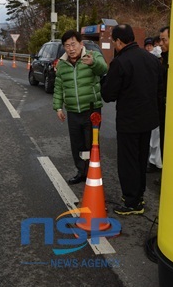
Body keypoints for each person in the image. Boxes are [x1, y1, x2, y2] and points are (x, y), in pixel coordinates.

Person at [101, 24, 164, 215]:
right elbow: (160, 88)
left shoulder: (120, 62)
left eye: (114, 41)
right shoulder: (151, 60)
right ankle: (139, 196)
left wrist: (105, 80)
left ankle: (131, 201)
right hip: (148, 120)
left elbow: (108, 94)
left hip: (129, 121)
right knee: (140, 158)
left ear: (119, 42)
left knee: (128, 161)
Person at [53, 30, 108, 185]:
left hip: (92, 110)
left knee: (91, 143)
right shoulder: (62, 64)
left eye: (73, 44)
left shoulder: (92, 56)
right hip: (73, 111)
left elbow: (104, 69)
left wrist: (93, 63)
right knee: (77, 144)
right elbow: (59, 87)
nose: (70, 48)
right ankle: (81, 172)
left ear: (80, 44)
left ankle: (93, 172)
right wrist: (58, 107)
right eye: (67, 46)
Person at [153, 26, 170, 186]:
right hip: (162, 108)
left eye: (164, 40)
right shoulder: (162, 58)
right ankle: (165, 174)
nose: (161, 43)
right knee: (164, 143)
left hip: (172, 110)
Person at [144, 37, 163, 174]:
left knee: (157, 136)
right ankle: (154, 161)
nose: (151, 48)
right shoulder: (147, 60)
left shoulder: (162, 60)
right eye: (148, 45)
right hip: (152, 103)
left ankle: (157, 163)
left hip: (159, 103)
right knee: (153, 136)